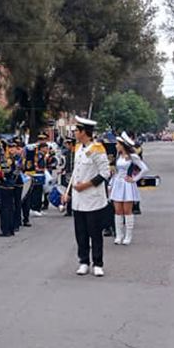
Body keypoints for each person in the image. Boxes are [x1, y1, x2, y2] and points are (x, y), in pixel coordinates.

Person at [61, 116, 111, 277]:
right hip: (78, 199)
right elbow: (77, 170)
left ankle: (98, 263)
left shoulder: (97, 148)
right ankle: (83, 261)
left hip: (93, 198)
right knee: (80, 232)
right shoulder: (78, 148)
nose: (74, 132)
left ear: (84, 132)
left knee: (95, 233)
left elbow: (105, 173)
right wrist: (67, 192)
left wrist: (85, 185)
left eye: (76, 130)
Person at [110, 132, 148, 246]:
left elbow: (144, 168)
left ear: (123, 145)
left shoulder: (133, 157)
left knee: (127, 211)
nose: (116, 146)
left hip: (127, 185)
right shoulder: (118, 156)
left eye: (118, 144)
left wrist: (134, 179)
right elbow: (116, 172)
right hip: (117, 183)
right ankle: (118, 235)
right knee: (117, 211)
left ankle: (128, 236)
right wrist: (110, 185)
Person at [23, 132, 56, 217]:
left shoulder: (46, 151)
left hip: (42, 174)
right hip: (37, 175)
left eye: (43, 139)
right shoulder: (36, 152)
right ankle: (34, 208)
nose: (41, 141)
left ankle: (39, 208)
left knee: (40, 192)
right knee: (36, 192)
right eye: (40, 139)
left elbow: (52, 158)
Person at [0, 138, 20, 237]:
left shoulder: (5, 159)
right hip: (9, 185)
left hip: (4, 185)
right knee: (9, 207)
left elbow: (2, 172)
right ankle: (10, 229)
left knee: (5, 208)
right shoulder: (8, 158)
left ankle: (6, 230)